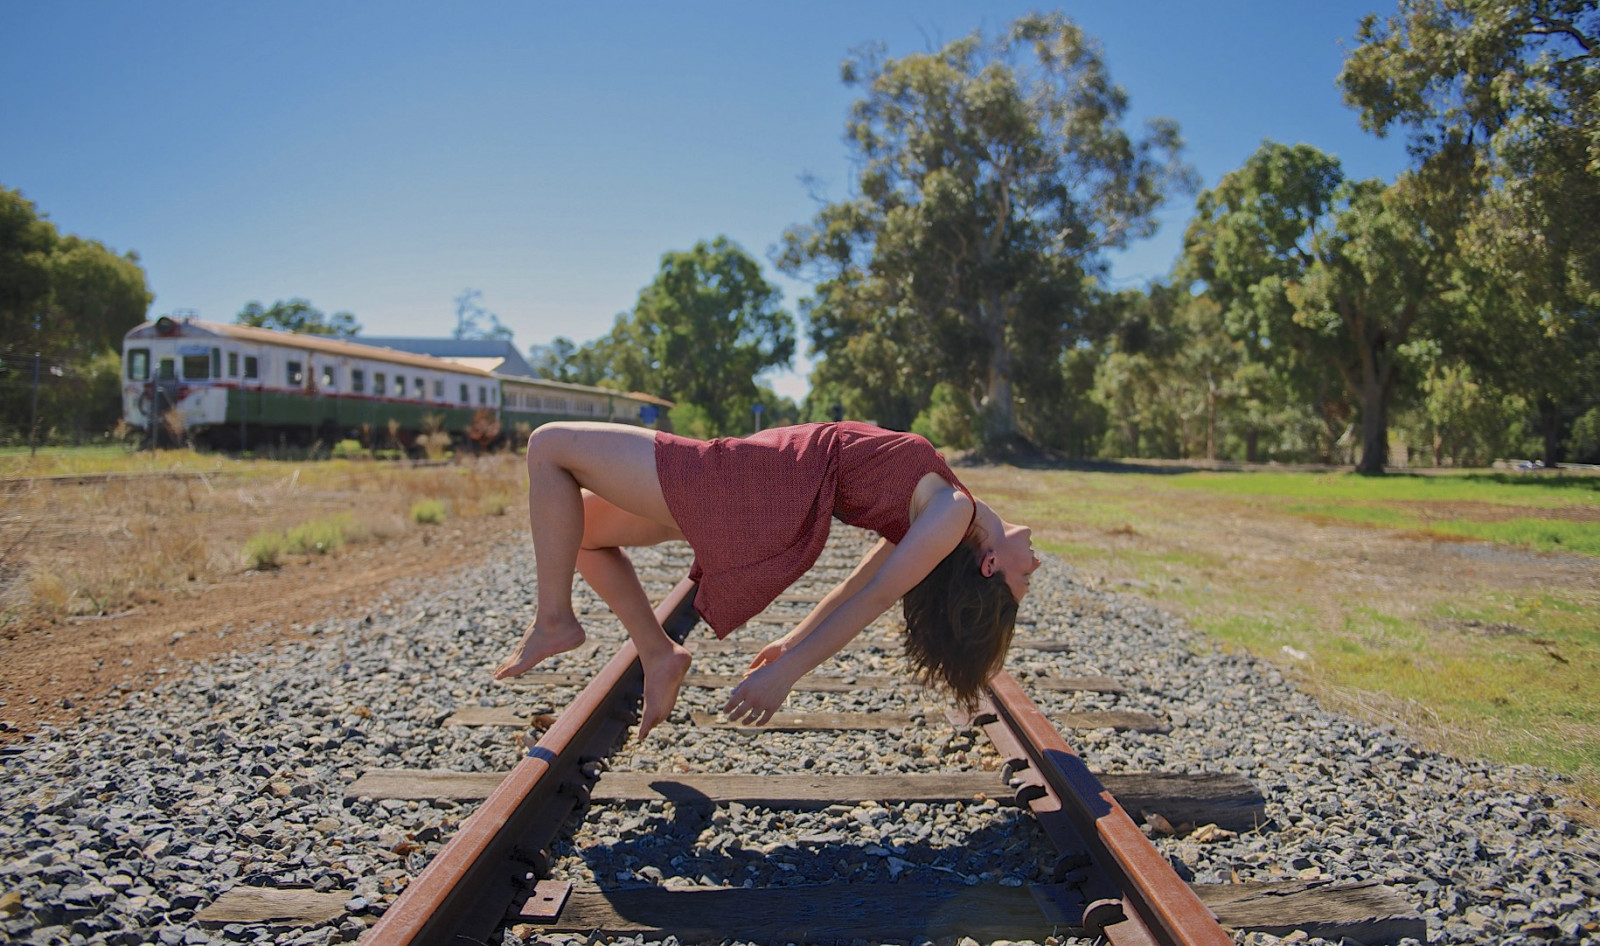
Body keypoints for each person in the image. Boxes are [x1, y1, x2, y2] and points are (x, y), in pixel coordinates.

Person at [494, 420, 1039, 738]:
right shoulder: (943, 515)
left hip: (745, 486)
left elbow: (875, 597)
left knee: (548, 444)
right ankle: (658, 653)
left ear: (989, 565)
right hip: (755, 491)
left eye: (1023, 581)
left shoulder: (950, 512)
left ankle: (554, 620)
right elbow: (853, 588)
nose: (1035, 564)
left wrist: (786, 676)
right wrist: (789, 641)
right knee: (581, 530)